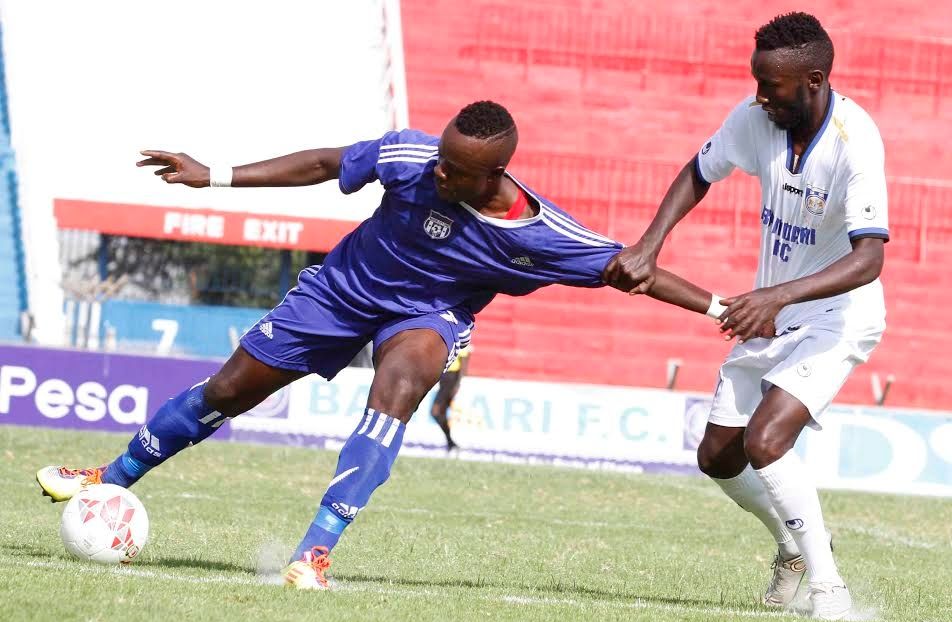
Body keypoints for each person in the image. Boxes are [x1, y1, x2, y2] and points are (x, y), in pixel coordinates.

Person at [38, 101, 727, 590]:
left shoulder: (539, 234)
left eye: (455, 170)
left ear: (493, 175)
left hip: (428, 316)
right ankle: (111, 478)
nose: (439, 173)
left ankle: (314, 552)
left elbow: (633, 270)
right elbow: (323, 162)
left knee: (399, 384)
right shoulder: (411, 156)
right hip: (340, 291)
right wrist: (213, 174)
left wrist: (722, 307)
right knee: (227, 391)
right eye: (442, 159)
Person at [602, 13, 888, 621]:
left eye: (771, 86)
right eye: (757, 82)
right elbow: (698, 171)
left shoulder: (855, 140)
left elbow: (869, 260)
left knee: (766, 441)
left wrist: (777, 296)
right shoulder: (755, 119)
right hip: (774, 313)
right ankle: (792, 545)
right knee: (718, 456)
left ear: (813, 80)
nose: (759, 96)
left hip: (838, 314)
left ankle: (829, 590)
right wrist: (650, 244)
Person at [429, 343, 471, 451]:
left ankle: (450, 441)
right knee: (440, 413)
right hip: (445, 378)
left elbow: (464, 361)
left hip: (451, 378)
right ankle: (450, 442)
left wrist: (457, 385)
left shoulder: (461, 339)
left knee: (435, 412)